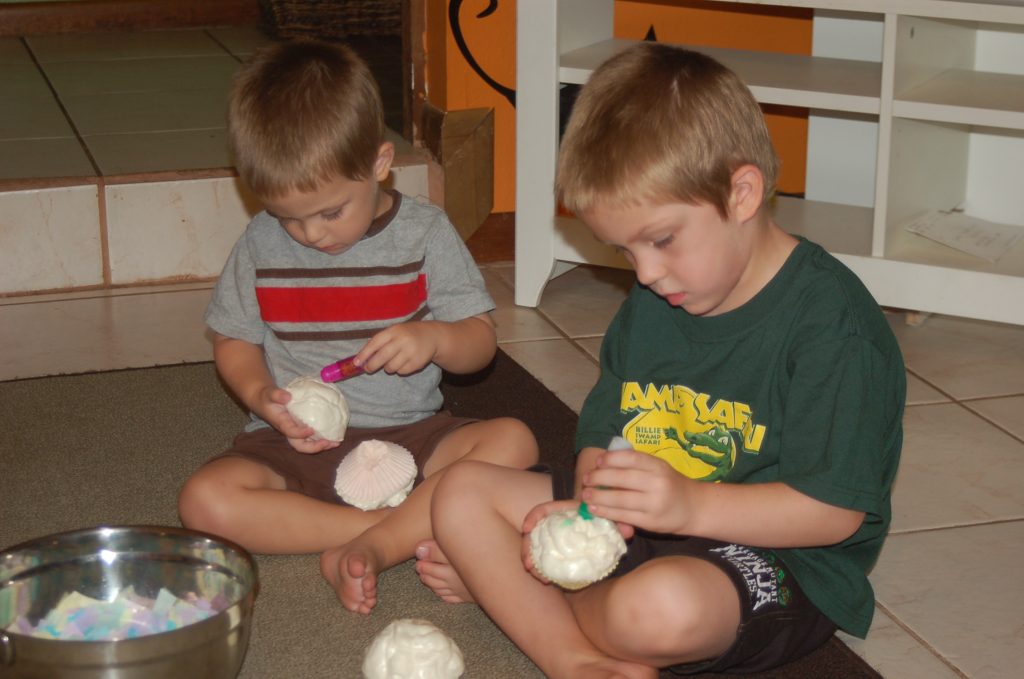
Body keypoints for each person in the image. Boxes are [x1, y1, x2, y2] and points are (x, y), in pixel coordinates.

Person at [416, 42, 905, 678]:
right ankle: (572, 659)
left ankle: (511, 588)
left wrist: (690, 509)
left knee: (657, 611)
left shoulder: (835, 332)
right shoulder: (663, 296)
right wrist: (591, 509)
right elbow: (605, 432)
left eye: (662, 240)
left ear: (742, 194)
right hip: (644, 516)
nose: (645, 274)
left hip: (778, 556)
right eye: (624, 251)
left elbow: (833, 514)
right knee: (459, 493)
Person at [177, 39, 538, 615]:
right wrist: (259, 396)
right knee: (205, 503)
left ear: (378, 162)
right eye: (287, 216)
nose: (310, 235)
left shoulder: (425, 233)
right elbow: (234, 338)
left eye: (329, 212)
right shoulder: (261, 245)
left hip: (410, 438)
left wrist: (436, 339)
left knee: (513, 440)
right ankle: (387, 526)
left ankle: (381, 534)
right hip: (296, 445)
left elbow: (479, 346)